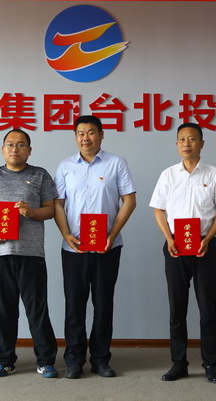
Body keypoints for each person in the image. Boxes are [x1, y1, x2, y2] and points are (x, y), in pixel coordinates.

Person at [149, 123, 216, 384]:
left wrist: (208, 238)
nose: (186, 144)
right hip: (175, 246)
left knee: (207, 308)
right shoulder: (168, 175)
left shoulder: (215, 174)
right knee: (177, 307)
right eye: (182, 139)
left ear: (202, 143)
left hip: (203, 246)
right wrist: (169, 238)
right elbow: (158, 210)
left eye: (192, 139)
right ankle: (179, 363)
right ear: (177, 144)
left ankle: (210, 363)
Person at [53, 115, 136, 379]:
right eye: (80, 133)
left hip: (107, 247)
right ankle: (74, 360)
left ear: (101, 134)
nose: (85, 138)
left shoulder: (116, 163)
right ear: (75, 137)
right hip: (74, 248)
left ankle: (101, 359)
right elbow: (58, 203)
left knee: (103, 304)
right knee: (74, 305)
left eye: (91, 132)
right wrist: (66, 234)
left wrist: (112, 234)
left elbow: (129, 201)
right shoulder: (65, 166)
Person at [0, 129, 60, 379]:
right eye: (10, 144)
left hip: (31, 254)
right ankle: (5, 361)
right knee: (4, 310)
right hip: (0, 254)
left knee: (37, 310)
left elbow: (51, 210)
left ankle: (45, 360)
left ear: (29, 150)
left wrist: (30, 212)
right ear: (3, 149)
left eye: (21, 145)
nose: (15, 149)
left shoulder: (40, 175)